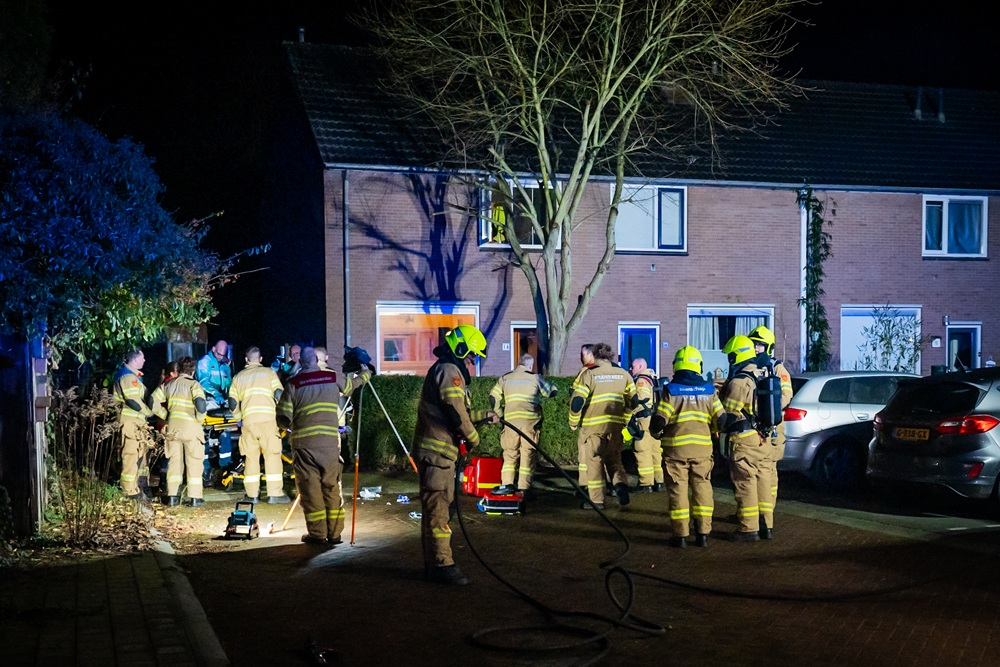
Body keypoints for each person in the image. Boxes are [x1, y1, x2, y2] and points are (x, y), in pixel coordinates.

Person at [413, 325, 497, 585]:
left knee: (437, 508)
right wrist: (474, 438)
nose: (473, 362)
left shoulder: (445, 370)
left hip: (438, 454)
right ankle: (441, 564)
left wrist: (485, 416)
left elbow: (458, 412)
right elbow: (455, 411)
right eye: (472, 356)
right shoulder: (450, 371)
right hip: (437, 455)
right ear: (461, 349)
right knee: (438, 510)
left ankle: (435, 563)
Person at [277, 346, 370, 546]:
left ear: (301, 362)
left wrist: (284, 427)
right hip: (329, 444)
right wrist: (365, 375)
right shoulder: (332, 377)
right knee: (331, 487)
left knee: (311, 490)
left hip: (304, 446)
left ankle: (318, 534)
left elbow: (283, 417)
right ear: (317, 360)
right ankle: (335, 534)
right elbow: (351, 387)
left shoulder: (294, 383)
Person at [649, 346, 725, 548]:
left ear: (677, 366)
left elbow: (659, 422)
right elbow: (722, 420)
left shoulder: (671, 390)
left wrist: (655, 434)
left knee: (677, 491)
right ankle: (703, 534)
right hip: (702, 452)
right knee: (703, 489)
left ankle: (680, 536)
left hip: (676, 452)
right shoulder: (709, 390)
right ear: (698, 366)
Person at [569, 343, 636, 510]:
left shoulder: (589, 374)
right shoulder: (624, 374)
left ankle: (597, 501)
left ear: (595, 356)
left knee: (595, 463)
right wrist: (625, 420)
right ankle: (620, 485)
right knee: (614, 459)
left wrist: (573, 422)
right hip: (615, 427)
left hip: (593, 428)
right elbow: (633, 401)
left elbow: (577, 402)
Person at [719, 334, 772, 542]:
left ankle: (748, 529)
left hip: (744, 440)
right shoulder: (761, 375)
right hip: (762, 438)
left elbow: (728, 415)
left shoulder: (740, 381)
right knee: (762, 482)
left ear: (736, 356)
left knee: (745, 483)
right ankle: (766, 525)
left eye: (730, 356)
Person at [489, 353, 557, 496]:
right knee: (527, 454)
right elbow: (550, 392)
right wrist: (555, 388)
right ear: (530, 365)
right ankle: (523, 489)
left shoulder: (505, 378)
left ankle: (506, 486)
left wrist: (501, 415)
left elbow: (493, 397)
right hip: (529, 424)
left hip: (511, 423)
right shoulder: (534, 378)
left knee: (509, 455)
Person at [747, 325, 793, 536]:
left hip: (772, 426)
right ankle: (754, 511)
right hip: (752, 427)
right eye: (754, 344)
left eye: (760, 345)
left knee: (769, 471)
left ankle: (767, 514)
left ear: (768, 347)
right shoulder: (746, 367)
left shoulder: (778, 369)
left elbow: (785, 397)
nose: (756, 349)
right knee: (752, 471)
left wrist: (765, 412)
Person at [230, 346, 289, 504]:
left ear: (246, 359)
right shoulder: (269, 373)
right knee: (272, 456)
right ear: (261, 359)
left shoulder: (238, 377)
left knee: (251, 458)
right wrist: (283, 415)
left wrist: (238, 419)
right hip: (269, 421)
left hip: (249, 422)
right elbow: (279, 394)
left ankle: (252, 495)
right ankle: (274, 494)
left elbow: (232, 402)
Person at [152, 357, 207, 506]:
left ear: (180, 369)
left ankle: (172, 496)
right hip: (191, 427)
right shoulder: (194, 385)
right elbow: (201, 404)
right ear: (193, 370)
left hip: (173, 427)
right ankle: (195, 498)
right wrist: (199, 419)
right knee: (194, 461)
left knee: (174, 463)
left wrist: (165, 415)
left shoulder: (168, 384)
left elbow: (152, 401)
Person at [113, 349, 154, 500]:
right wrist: (148, 412)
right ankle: (129, 491)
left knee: (139, 455)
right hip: (130, 423)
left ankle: (138, 487)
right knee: (130, 455)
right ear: (135, 360)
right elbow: (132, 400)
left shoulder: (133, 376)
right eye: (142, 358)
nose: (144, 361)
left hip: (136, 423)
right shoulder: (128, 377)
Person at [197, 339, 234, 476]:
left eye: (222, 355)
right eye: (218, 354)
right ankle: (205, 468)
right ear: (213, 349)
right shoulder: (204, 362)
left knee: (225, 431)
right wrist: (216, 394)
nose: (220, 357)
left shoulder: (225, 365)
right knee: (205, 434)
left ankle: (226, 464)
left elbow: (229, 383)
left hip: (222, 402)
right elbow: (203, 381)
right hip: (208, 401)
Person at [627, 357, 665, 493]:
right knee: (655, 451)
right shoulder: (653, 378)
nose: (630, 369)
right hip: (654, 419)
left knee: (642, 450)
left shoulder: (641, 380)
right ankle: (659, 481)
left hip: (644, 420)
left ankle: (645, 484)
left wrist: (630, 410)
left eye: (633, 366)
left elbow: (641, 399)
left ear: (640, 366)